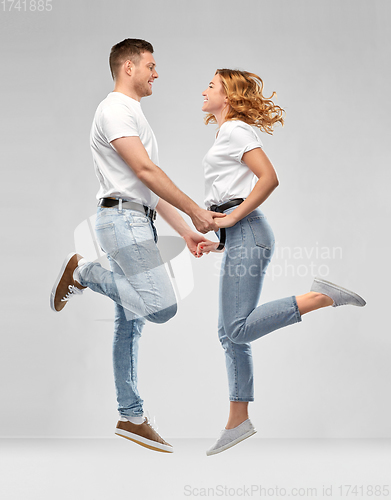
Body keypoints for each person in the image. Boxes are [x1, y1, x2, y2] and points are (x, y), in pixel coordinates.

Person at [50, 39, 223, 454]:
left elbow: (148, 186)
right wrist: (198, 211)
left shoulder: (131, 113)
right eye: (151, 65)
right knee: (161, 306)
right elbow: (146, 169)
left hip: (134, 218)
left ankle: (131, 415)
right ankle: (82, 272)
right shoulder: (114, 110)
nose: (156, 73)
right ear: (128, 67)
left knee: (131, 321)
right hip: (123, 221)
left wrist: (185, 231)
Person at [196, 69, 366, 456]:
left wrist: (235, 219)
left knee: (236, 329)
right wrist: (220, 241)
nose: (203, 90)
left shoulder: (237, 130)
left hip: (249, 231)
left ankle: (319, 297)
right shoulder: (226, 133)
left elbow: (268, 178)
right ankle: (238, 420)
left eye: (210, 85)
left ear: (228, 94)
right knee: (229, 333)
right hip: (240, 236)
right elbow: (231, 196)